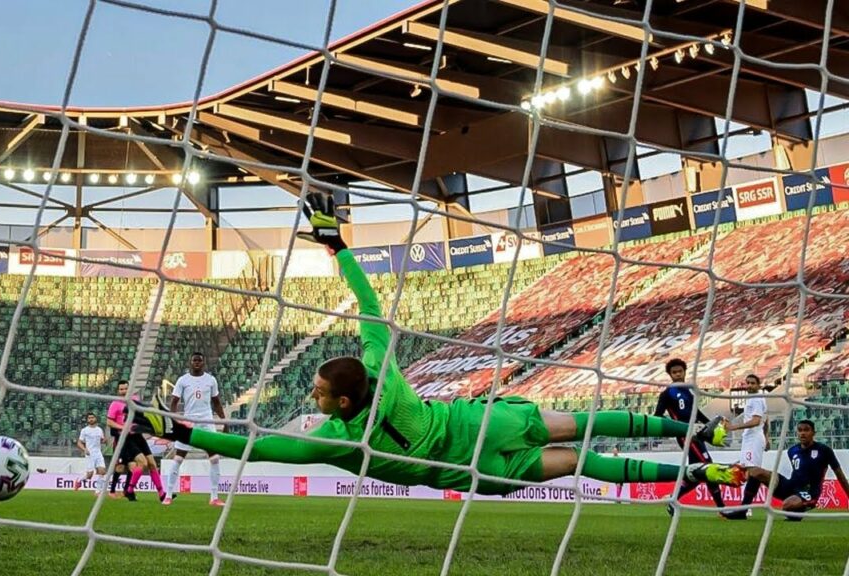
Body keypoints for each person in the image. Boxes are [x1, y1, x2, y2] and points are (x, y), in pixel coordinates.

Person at [131, 193, 745, 497]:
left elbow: (257, 447)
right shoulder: (381, 367)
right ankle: (702, 438)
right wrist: (336, 244)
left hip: (476, 469)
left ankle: (694, 470)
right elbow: (370, 306)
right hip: (484, 423)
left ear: (342, 402)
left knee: (582, 460)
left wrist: (177, 430)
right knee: (583, 424)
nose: (312, 395)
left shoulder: (340, 441)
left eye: (317, 390)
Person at [724, 419, 849, 520]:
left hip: (809, 492)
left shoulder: (824, 450)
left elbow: (840, 475)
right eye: (800, 430)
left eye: (806, 430)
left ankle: (798, 509)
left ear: (813, 433)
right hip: (790, 486)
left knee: (787, 506)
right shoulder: (792, 451)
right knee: (755, 472)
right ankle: (743, 511)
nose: (803, 433)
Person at [653, 358, 729, 516]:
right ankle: (722, 508)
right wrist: (673, 427)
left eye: (680, 371)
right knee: (708, 467)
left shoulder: (689, 391)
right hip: (685, 435)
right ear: (670, 375)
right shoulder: (666, 394)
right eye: (674, 372)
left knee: (697, 473)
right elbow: (657, 415)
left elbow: (697, 413)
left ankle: (673, 499)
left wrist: (711, 425)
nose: (677, 374)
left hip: (696, 433)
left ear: (684, 372)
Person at [164, 352, 227, 506]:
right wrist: (174, 420)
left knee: (214, 458)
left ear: (203, 363)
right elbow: (174, 402)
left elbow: (216, 402)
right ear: (190, 362)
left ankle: (214, 497)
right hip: (189, 421)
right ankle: (168, 495)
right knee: (178, 458)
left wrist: (225, 421)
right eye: (194, 360)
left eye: (199, 360)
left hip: (206, 420)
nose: (197, 362)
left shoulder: (211, 380)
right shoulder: (183, 380)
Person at [107, 380, 167, 502]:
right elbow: (109, 422)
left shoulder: (135, 400)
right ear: (118, 391)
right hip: (126, 438)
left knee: (152, 464)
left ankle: (161, 494)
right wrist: (123, 427)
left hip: (138, 436)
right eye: (121, 389)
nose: (124, 391)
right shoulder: (115, 404)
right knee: (139, 463)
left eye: (126, 389)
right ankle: (126, 490)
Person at [724, 374, 768, 513]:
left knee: (752, 472)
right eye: (747, 383)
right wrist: (767, 438)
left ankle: (746, 508)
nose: (749, 385)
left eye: (753, 383)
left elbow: (756, 421)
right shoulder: (755, 398)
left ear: (758, 385)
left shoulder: (756, 399)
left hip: (753, 438)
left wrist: (733, 427)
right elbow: (766, 420)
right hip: (751, 438)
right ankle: (744, 507)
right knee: (747, 471)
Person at [75, 412, 107, 494]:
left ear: (95, 419)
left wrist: (104, 440)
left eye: (92, 417)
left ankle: (98, 491)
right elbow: (79, 442)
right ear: (87, 420)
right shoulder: (84, 430)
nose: (91, 419)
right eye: (89, 418)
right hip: (90, 454)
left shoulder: (99, 430)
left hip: (98, 453)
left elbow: (102, 440)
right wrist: (84, 449)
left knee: (102, 471)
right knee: (90, 475)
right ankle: (79, 480)